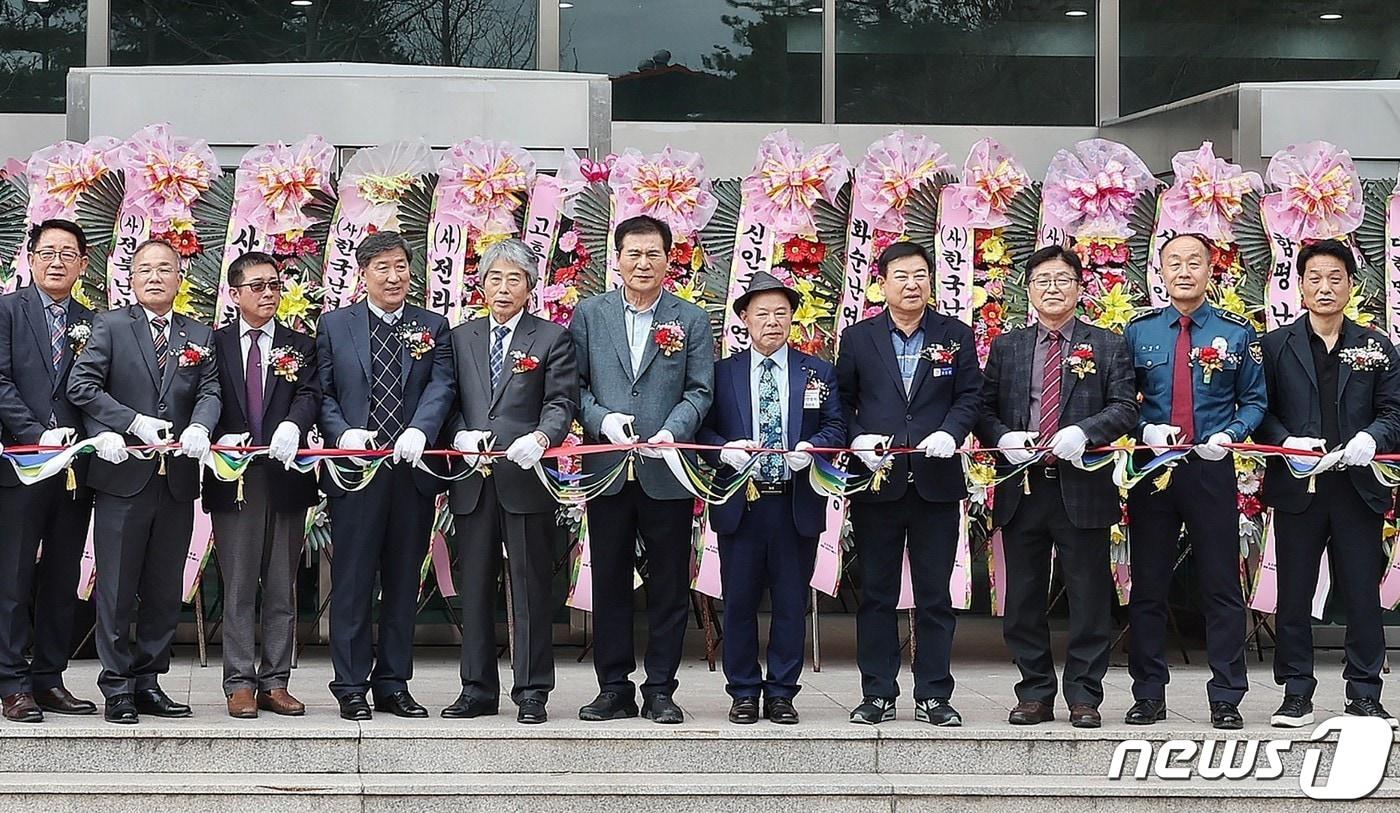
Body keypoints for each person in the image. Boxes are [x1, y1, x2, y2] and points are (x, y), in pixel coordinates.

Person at [976, 246, 1137, 729]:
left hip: (1082, 487)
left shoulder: (1107, 344)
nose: (1053, 288)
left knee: (1089, 598)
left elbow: (1126, 407)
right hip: (1023, 488)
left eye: (1062, 279)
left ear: (1079, 287)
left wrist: (1085, 432)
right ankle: (1034, 693)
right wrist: (1003, 436)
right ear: (1029, 289)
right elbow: (983, 409)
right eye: (1043, 280)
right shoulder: (1008, 346)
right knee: (1023, 599)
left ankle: (1085, 696)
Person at [68, 238, 221, 724]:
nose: (155, 277)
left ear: (180, 278)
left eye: (165, 269)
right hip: (122, 479)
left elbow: (211, 389)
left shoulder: (199, 333)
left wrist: (201, 424)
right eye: (145, 270)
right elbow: (81, 386)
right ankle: (116, 686)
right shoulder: (110, 325)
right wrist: (129, 423)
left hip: (175, 482)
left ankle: (150, 681)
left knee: (162, 587)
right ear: (130, 280)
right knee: (115, 586)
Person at [570, 215, 714, 724]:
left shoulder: (691, 319)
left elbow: (701, 389)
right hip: (606, 468)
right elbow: (574, 387)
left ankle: (660, 688)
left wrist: (672, 431)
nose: (643, 263)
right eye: (633, 253)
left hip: (666, 470)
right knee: (608, 581)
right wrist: (602, 419)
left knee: (669, 584)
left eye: (653, 253)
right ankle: (613, 687)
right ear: (617, 258)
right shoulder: (589, 314)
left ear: (669, 259)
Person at [1122, 233, 1266, 730]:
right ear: (1159, 272)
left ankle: (1226, 696)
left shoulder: (1236, 332)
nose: (1184, 271)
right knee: (1148, 585)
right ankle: (1148, 695)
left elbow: (1255, 400)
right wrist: (1144, 430)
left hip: (1211, 466)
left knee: (1222, 585)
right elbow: (1122, 401)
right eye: (1174, 263)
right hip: (1153, 470)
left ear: (1211, 270)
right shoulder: (1139, 333)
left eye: (1194, 262)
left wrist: (1232, 432)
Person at [836, 241, 981, 726]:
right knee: (876, 592)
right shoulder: (858, 339)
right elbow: (843, 403)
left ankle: (934, 695)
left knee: (934, 595)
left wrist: (951, 432)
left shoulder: (955, 334)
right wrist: (859, 440)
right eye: (901, 275)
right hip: (877, 484)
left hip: (937, 483)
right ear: (882, 283)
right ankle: (877, 693)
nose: (912, 284)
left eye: (920, 274)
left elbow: (970, 396)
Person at [1256, 239, 1400, 727]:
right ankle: (1295, 692)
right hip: (1300, 488)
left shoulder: (1375, 346)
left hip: (1358, 488)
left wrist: (1370, 437)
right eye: (1314, 277)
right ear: (1299, 286)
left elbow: (1394, 412)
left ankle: (1364, 692)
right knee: (1294, 593)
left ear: (1351, 285)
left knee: (1361, 593)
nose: (1324, 286)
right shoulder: (1274, 346)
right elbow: (1261, 411)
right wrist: (1287, 441)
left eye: (1335, 277)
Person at [316, 231, 454, 721]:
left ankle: (394, 683)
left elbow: (443, 385)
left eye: (400, 266)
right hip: (356, 472)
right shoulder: (334, 325)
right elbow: (323, 390)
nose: (394, 276)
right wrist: (343, 433)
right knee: (352, 580)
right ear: (363, 274)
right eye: (382, 268)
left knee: (402, 582)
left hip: (412, 472)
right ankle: (350, 684)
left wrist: (421, 430)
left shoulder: (432, 326)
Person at [696, 271, 844, 725]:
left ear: (792, 319)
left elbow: (837, 426)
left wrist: (812, 449)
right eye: (762, 313)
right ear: (744, 318)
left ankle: (782, 691)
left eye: (782, 312)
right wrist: (724, 449)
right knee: (738, 601)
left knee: (790, 602)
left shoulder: (816, 371)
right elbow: (700, 428)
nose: (772, 321)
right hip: (741, 502)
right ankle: (742, 691)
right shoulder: (722, 373)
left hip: (795, 501)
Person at [442, 238, 577, 725]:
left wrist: (542, 438)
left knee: (531, 588)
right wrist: (458, 434)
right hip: (472, 482)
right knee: (474, 587)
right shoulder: (461, 337)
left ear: (531, 286)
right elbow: (448, 400)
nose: (503, 288)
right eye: (495, 278)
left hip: (526, 479)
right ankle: (476, 688)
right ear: (481, 284)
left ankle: (532, 689)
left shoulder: (551, 338)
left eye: (514, 279)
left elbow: (562, 402)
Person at [203, 251, 320, 719]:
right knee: (237, 586)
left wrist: (293, 424)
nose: (268, 293)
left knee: (280, 583)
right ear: (235, 294)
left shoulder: (300, 344)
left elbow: (312, 392)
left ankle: (275, 680)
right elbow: (203, 396)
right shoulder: (213, 344)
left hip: (286, 475)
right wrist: (215, 437)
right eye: (257, 286)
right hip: (233, 478)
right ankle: (238, 682)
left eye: (274, 285)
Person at [0, 220, 97, 722]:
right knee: (13, 576)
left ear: (83, 264)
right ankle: (12, 682)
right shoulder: (7, 312)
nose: (57, 261)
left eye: (68, 253)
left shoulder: (93, 321)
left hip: (75, 473)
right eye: (48, 252)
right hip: (21, 466)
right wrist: (35, 433)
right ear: (31, 258)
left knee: (63, 576)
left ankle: (50, 677)